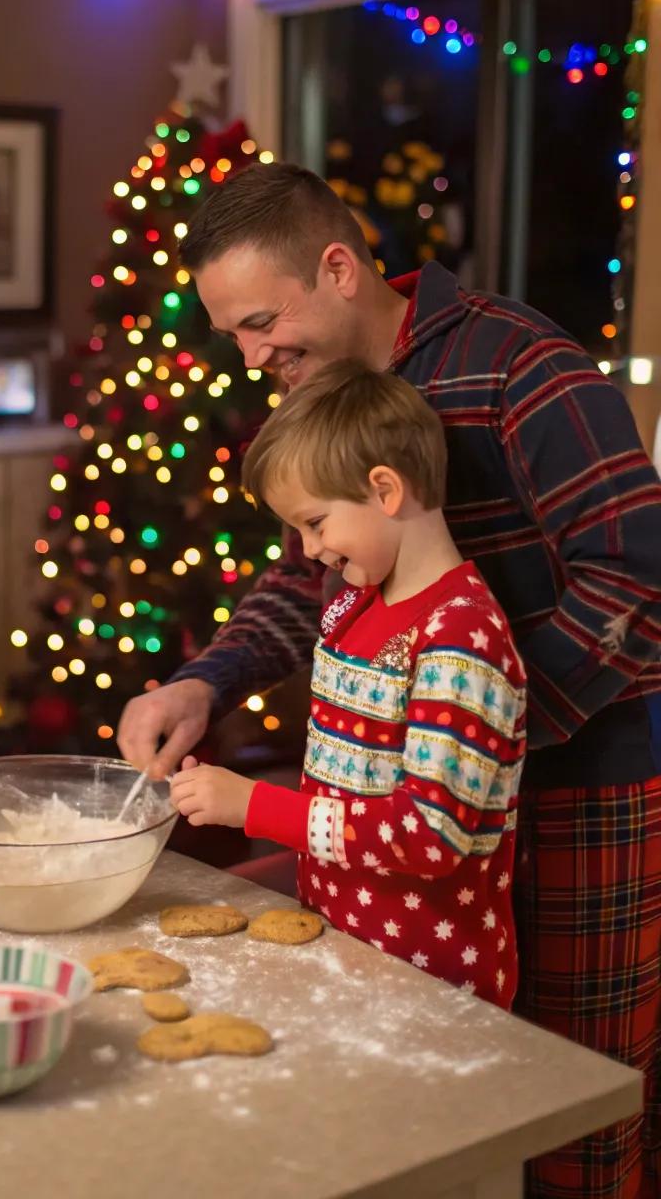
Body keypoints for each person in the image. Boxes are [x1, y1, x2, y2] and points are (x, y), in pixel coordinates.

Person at [119, 163, 661, 1198]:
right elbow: (304, 579)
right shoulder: (325, 403)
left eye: (261, 321)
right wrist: (204, 685)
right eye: (233, 333)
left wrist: (473, 741)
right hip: (433, 810)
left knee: (572, 1115)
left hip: (583, 788)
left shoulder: (519, 364)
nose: (251, 355)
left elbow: (634, 569)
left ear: (336, 267)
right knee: (441, 1117)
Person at [170, 360, 527, 1006]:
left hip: (433, 983)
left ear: (386, 489)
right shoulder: (352, 608)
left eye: (315, 522)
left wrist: (253, 806)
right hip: (344, 952)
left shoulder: (460, 639)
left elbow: (428, 833)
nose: (309, 550)